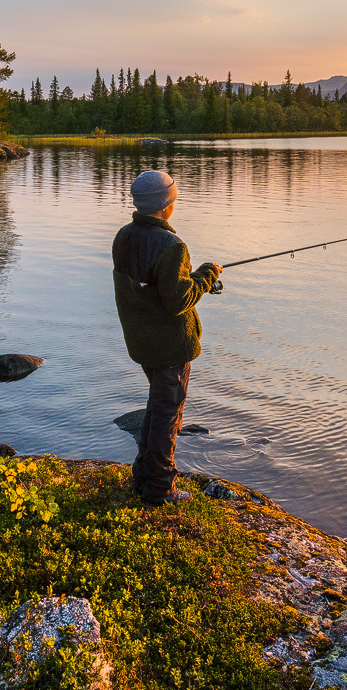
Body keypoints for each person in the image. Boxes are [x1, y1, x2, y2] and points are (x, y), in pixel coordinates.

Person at [111, 170, 221, 507]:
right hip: (170, 346)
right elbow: (177, 301)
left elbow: (152, 287)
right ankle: (159, 488)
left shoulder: (124, 236)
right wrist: (204, 276)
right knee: (167, 414)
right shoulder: (172, 245)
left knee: (158, 408)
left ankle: (143, 477)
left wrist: (188, 277)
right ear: (166, 205)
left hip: (142, 342)